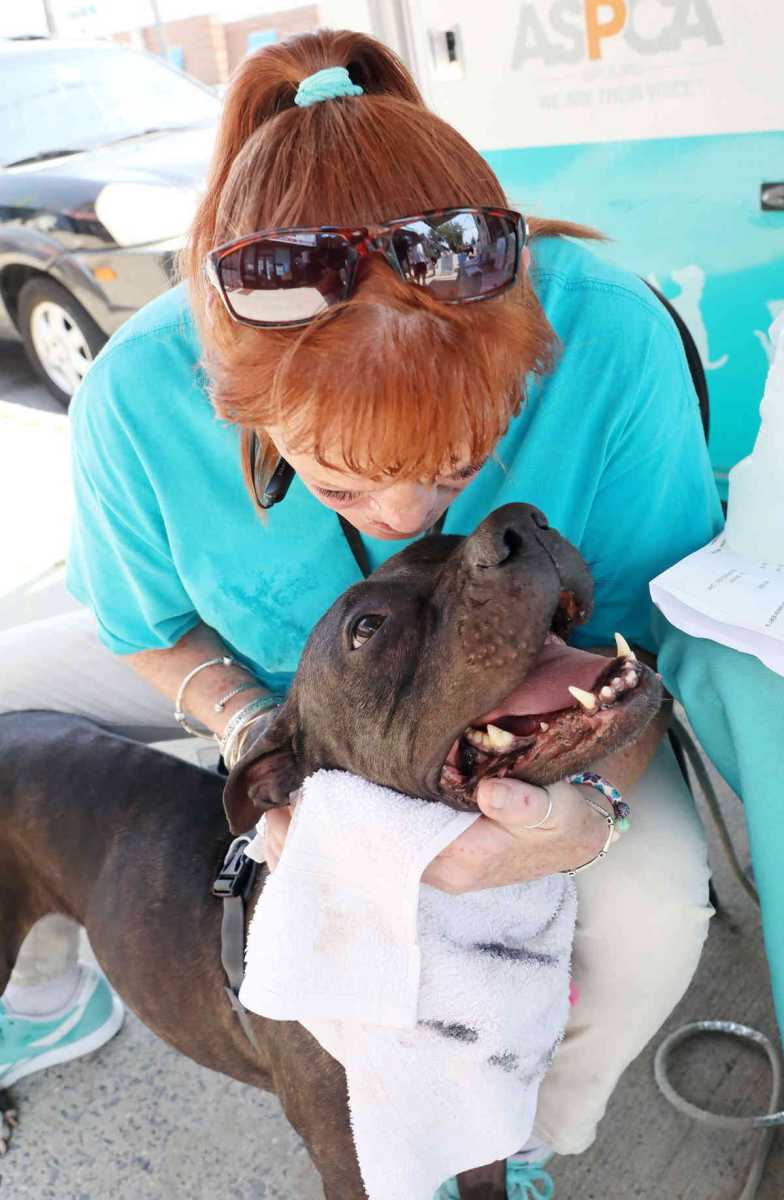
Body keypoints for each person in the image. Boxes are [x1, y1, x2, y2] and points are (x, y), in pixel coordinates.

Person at [0, 30, 720, 1197]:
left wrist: (578, 815)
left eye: (458, 459)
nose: (404, 508)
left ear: (522, 338)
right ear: (233, 392)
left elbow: (648, 639)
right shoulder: (139, 393)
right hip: (260, 664)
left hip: (519, 670)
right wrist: (252, 731)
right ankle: (44, 991)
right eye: (339, 481)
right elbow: (139, 626)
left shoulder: (611, 337)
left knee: (650, 927)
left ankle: (515, 1128)